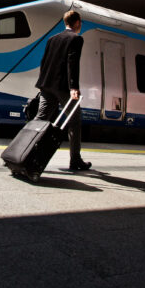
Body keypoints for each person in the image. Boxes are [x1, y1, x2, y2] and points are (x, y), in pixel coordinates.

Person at [35, 10, 91, 171]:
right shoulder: (76, 39)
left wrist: (43, 84)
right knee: (74, 122)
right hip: (63, 88)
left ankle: (21, 151)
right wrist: (74, 87)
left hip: (47, 85)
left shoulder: (52, 39)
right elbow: (72, 62)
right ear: (77, 23)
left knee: (40, 120)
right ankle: (75, 161)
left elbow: (44, 62)